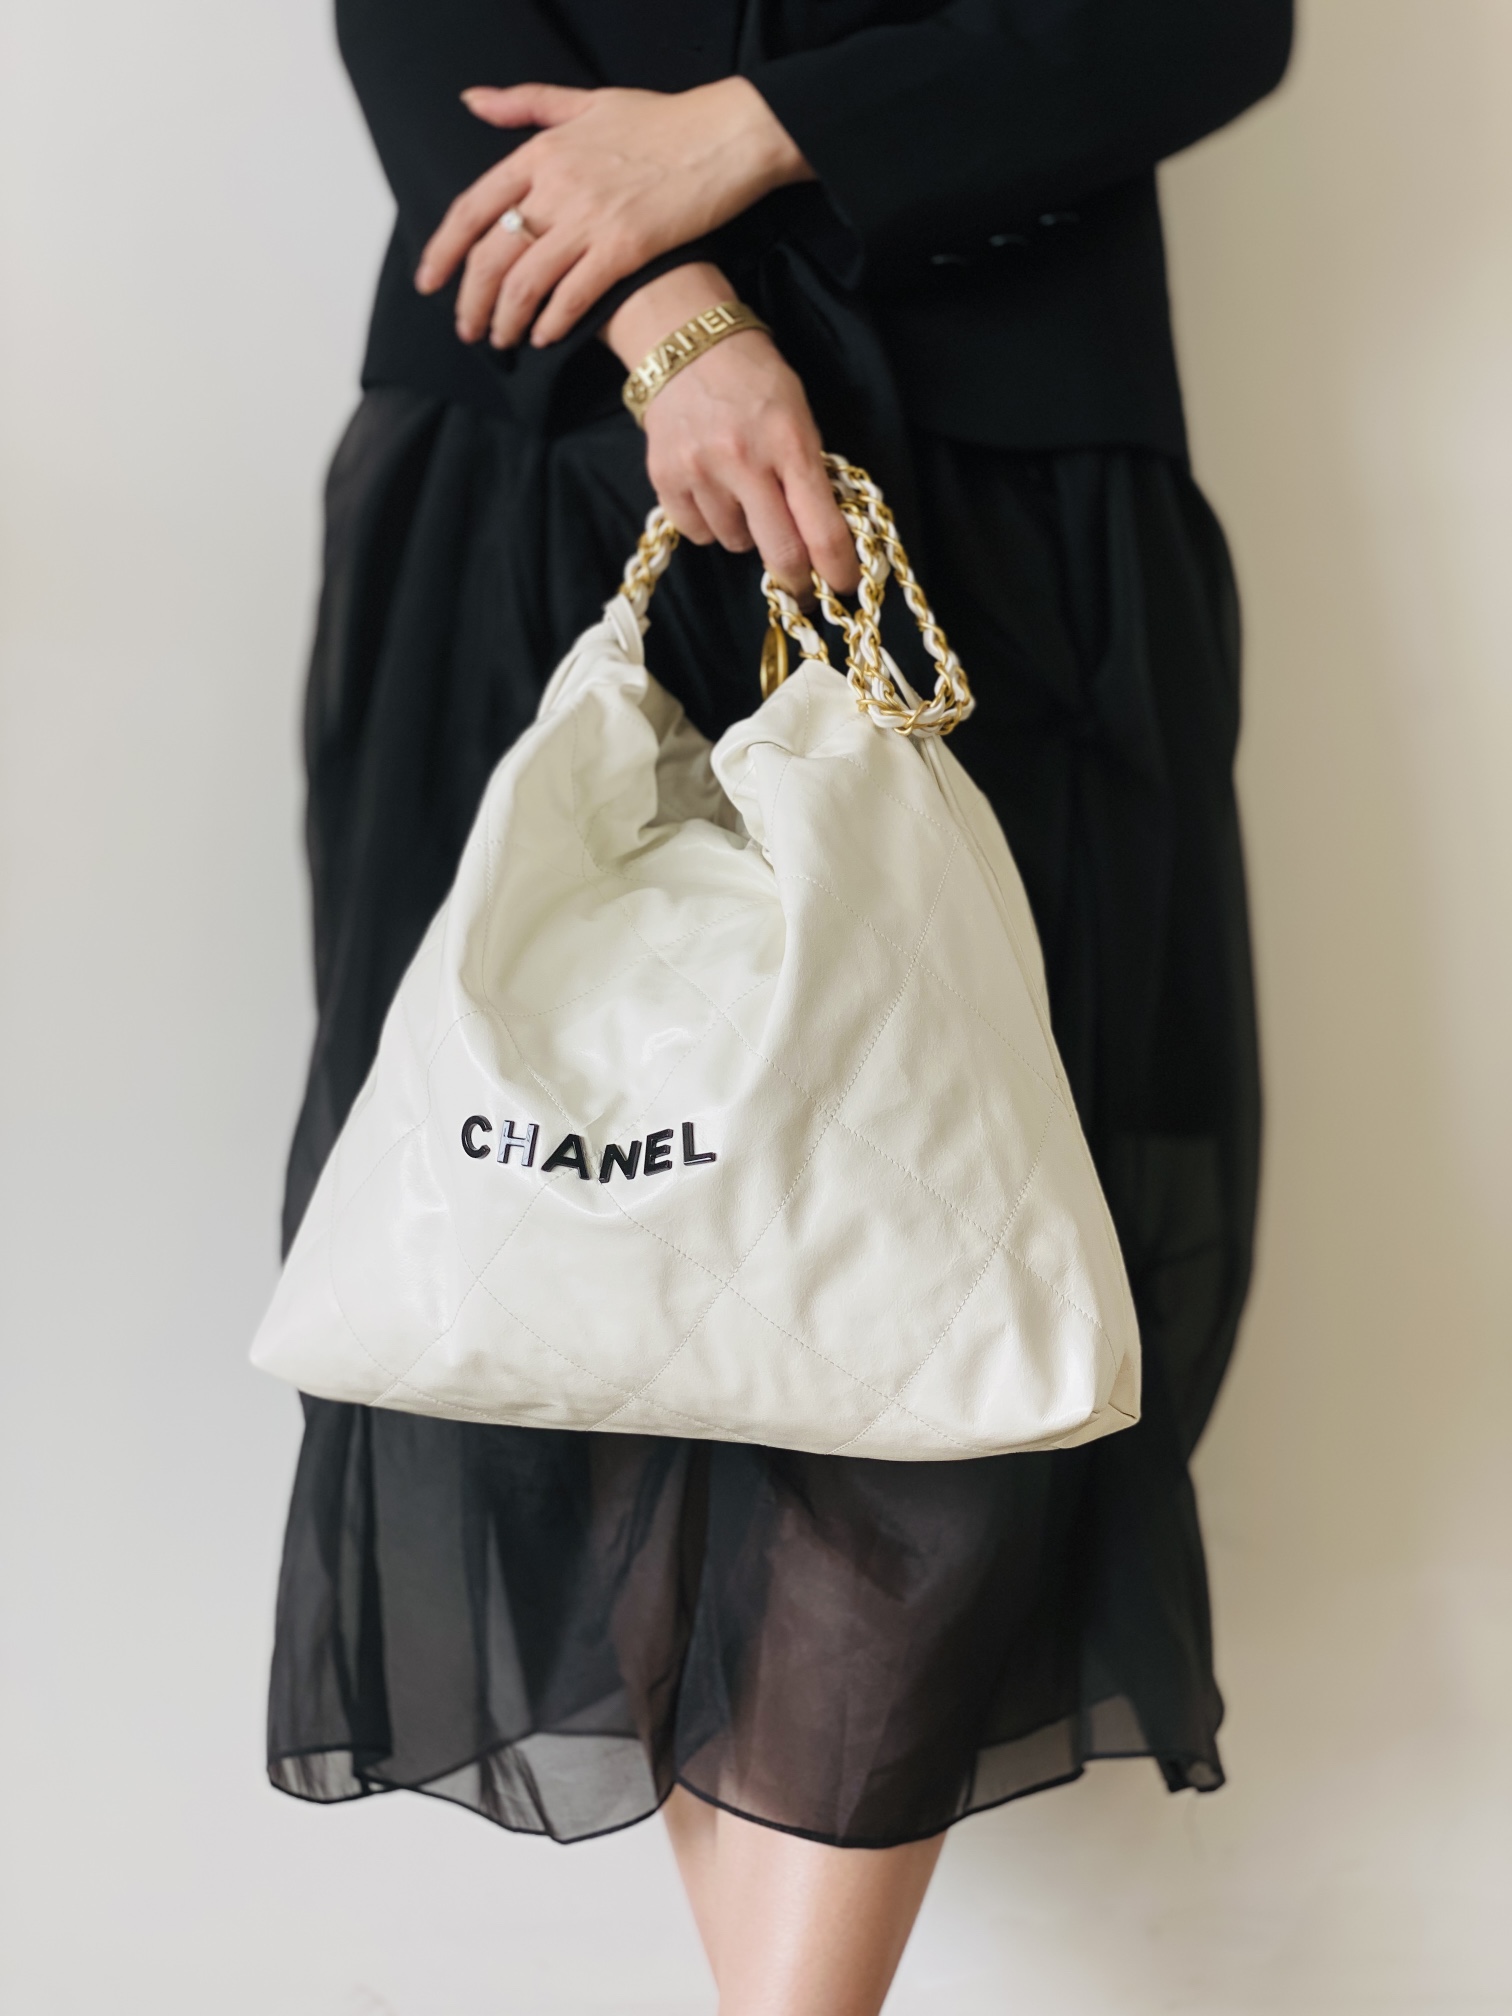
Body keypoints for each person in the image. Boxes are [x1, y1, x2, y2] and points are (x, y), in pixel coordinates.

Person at [266, 6, 1292, 2011]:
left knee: (931, 1325)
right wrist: (660, 305)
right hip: (541, 433)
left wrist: (748, 134)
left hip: (991, 479)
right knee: (583, 1300)